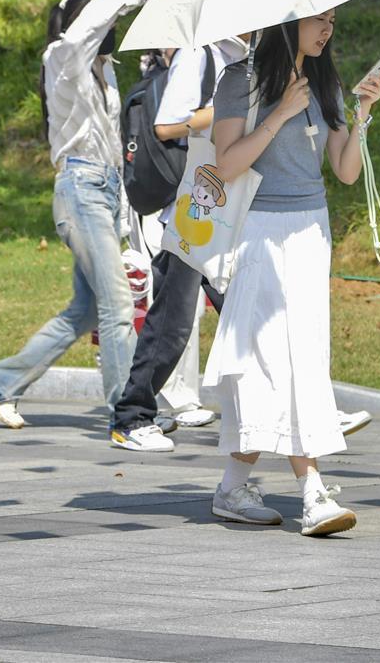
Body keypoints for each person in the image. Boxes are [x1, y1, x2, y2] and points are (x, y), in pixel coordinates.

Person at [204, 11, 380, 536]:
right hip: (258, 228)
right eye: (317, 19)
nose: (327, 29)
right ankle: (312, 492)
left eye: (333, 19)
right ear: (286, 22)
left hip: (311, 229)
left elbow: (346, 171)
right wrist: (280, 113)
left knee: (300, 353)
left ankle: (233, 485)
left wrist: (363, 114)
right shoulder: (240, 78)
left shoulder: (323, 78)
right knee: (267, 359)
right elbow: (227, 164)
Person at [0, 0, 145, 431]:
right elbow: (78, 35)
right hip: (79, 190)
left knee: (87, 311)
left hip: (105, 191)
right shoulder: (61, 58)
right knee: (118, 306)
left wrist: (125, 216)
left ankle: (3, 379)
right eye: (105, 20)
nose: (111, 28)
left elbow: (112, 145)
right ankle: (128, 414)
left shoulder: (104, 68)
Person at [109, 37, 249, 451]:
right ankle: (131, 418)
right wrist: (221, 114)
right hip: (193, 206)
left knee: (250, 312)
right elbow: (166, 126)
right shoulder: (198, 54)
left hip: (228, 202)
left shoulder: (251, 57)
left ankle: (302, 407)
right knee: (173, 319)